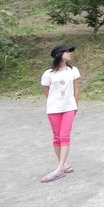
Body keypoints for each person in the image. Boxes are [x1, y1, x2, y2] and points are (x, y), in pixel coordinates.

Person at [40, 45, 81, 183]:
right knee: (57, 138)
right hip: (53, 109)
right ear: (59, 54)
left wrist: (74, 106)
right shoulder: (48, 74)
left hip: (69, 108)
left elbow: (76, 89)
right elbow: (47, 91)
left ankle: (59, 170)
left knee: (64, 136)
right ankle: (63, 164)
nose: (70, 53)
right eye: (67, 51)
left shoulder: (73, 70)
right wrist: (55, 103)